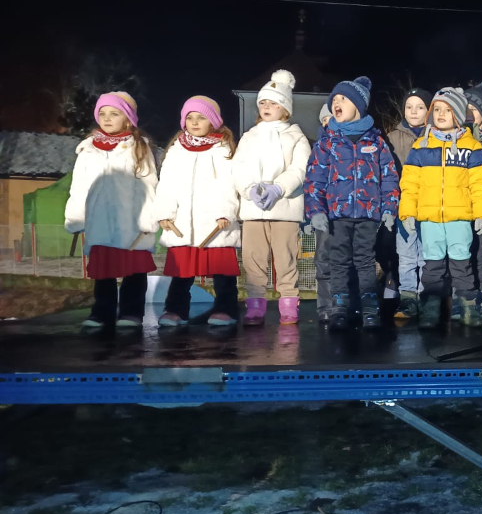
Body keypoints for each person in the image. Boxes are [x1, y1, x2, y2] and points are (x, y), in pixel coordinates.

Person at [304, 76, 399, 329]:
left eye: (343, 98)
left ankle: (369, 309)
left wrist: (389, 209)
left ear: (358, 105)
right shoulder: (327, 142)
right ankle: (339, 307)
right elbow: (314, 178)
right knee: (338, 262)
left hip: (368, 214)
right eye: (334, 99)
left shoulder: (376, 142)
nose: (337, 103)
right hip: (338, 215)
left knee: (365, 262)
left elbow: (389, 177)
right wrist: (316, 211)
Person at [399, 87, 482, 328]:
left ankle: (467, 308)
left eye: (447, 110)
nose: (440, 114)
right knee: (432, 266)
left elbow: (481, 184)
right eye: (437, 109)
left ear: (458, 115)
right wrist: (407, 212)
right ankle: (430, 309)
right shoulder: (420, 147)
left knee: (462, 265)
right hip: (430, 219)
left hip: (459, 218)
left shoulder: (471, 147)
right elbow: (410, 184)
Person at [65, 91, 159, 329]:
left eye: (114, 114)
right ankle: (101, 312)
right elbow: (79, 186)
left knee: (134, 268)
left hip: (131, 220)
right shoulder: (87, 150)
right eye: (103, 113)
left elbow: (149, 184)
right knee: (103, 270)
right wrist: (76, 218)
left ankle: (131, 312)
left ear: (128, 119)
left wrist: (148, 219)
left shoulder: (139, 147)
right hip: (99, 220)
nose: (107, 118)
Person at [154, 96, 241, 326]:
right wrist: (165, 213)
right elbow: (167, 184)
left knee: (222, 271)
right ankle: (175, 310)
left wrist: (225, 212)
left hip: (215, 222)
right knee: (181, 272)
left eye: (201, 117)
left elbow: (229, 183)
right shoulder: (177, 150)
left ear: (213, 121)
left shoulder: (222, 149)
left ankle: (225, 309)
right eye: (190, 117)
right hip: (183, 222)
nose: (194, 122)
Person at [232, 70, 310, 325]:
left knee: (285, 258)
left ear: (285, 109)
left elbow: (300, 168)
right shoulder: (249, 137)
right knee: (253, 259)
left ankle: (289, 304)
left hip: (285, 209)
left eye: (273, 103)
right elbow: (238, 168)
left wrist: (279, 188)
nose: (266, 107)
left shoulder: (296, 136)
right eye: (263, 102)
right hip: (253, 210)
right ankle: (255, 306)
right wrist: (249, 189)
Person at [387, 87, 431, 321]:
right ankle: (407, 296)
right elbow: (389, 173)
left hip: (428, 206)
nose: (414, 111)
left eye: (420, 107)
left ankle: (424, 296)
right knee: (405, 255)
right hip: (404, 207)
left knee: (426, 255)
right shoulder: (393, 137)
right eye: (409, 107)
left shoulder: (435, 137)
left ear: (429, 110)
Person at [458, 81, 482, 323]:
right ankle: (462, 299)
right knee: (459, 256)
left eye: (474, 109)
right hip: (458, 207)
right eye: (465, 108)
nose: (468, 113)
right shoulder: (454, 137)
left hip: (481, 208)